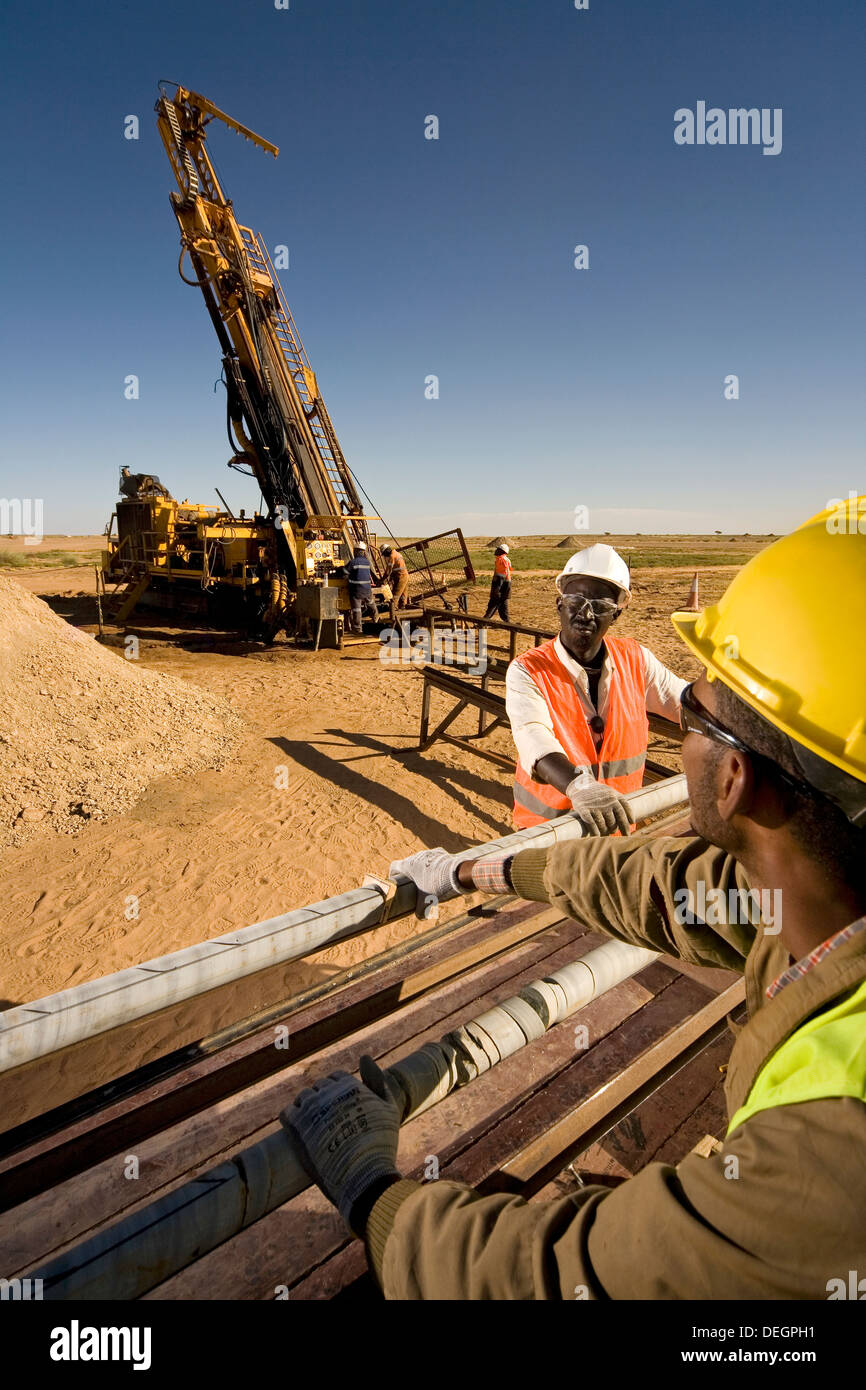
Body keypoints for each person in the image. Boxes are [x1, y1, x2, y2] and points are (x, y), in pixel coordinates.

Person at [281, 499, 866, 1298]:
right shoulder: (795, 902)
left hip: (609, 847)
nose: (683, 714)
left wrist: (371, 1190)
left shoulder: (824, 1163)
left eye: (701, 709)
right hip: (549, 846)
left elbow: (549, 1277)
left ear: (733, 781)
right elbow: (657, 889)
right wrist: (470, 871)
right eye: (570, 596)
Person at [507, 543, 686, 834]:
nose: (586, 614)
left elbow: (685, 701)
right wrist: (579, 787)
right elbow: (533, 736)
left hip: (616, 831)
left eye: (600, 607)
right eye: (577, 601)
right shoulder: (528, 670)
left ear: (615, 615)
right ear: (560, 604)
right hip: (549, 834)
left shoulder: (636, 660)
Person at [344, 543, 378, 635]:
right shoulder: (367, 562)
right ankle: (375, 615)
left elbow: (345, 572)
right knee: (370, 602)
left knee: (356, 609)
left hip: (356, 590)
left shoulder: (353, 562)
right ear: (363, 552)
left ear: (355, 551)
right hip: (367, 589)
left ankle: (358, 629)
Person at [483, 544, 513, 622]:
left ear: (502, 551)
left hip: (501, 586)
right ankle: (508, 624)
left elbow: (501, 576)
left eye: (498, 549)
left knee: (493, 604)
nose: (496, 551)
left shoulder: (501, 560)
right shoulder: (505, 559)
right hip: (505, 586)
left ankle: (483, 622)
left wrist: (497, 589)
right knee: (503, 608)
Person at [380, 544, 409, 621]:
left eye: (384, 554)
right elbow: (395, 568)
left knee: (395, 595)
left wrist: (382, 580)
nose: (384, 556)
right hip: (404, 575)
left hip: (401, 577)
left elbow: (388, 571)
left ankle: (394, 612)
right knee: (403, 594)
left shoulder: (392, 556)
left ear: (386, 551)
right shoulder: (397, 553)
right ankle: (403, 609)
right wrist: (390, 579)